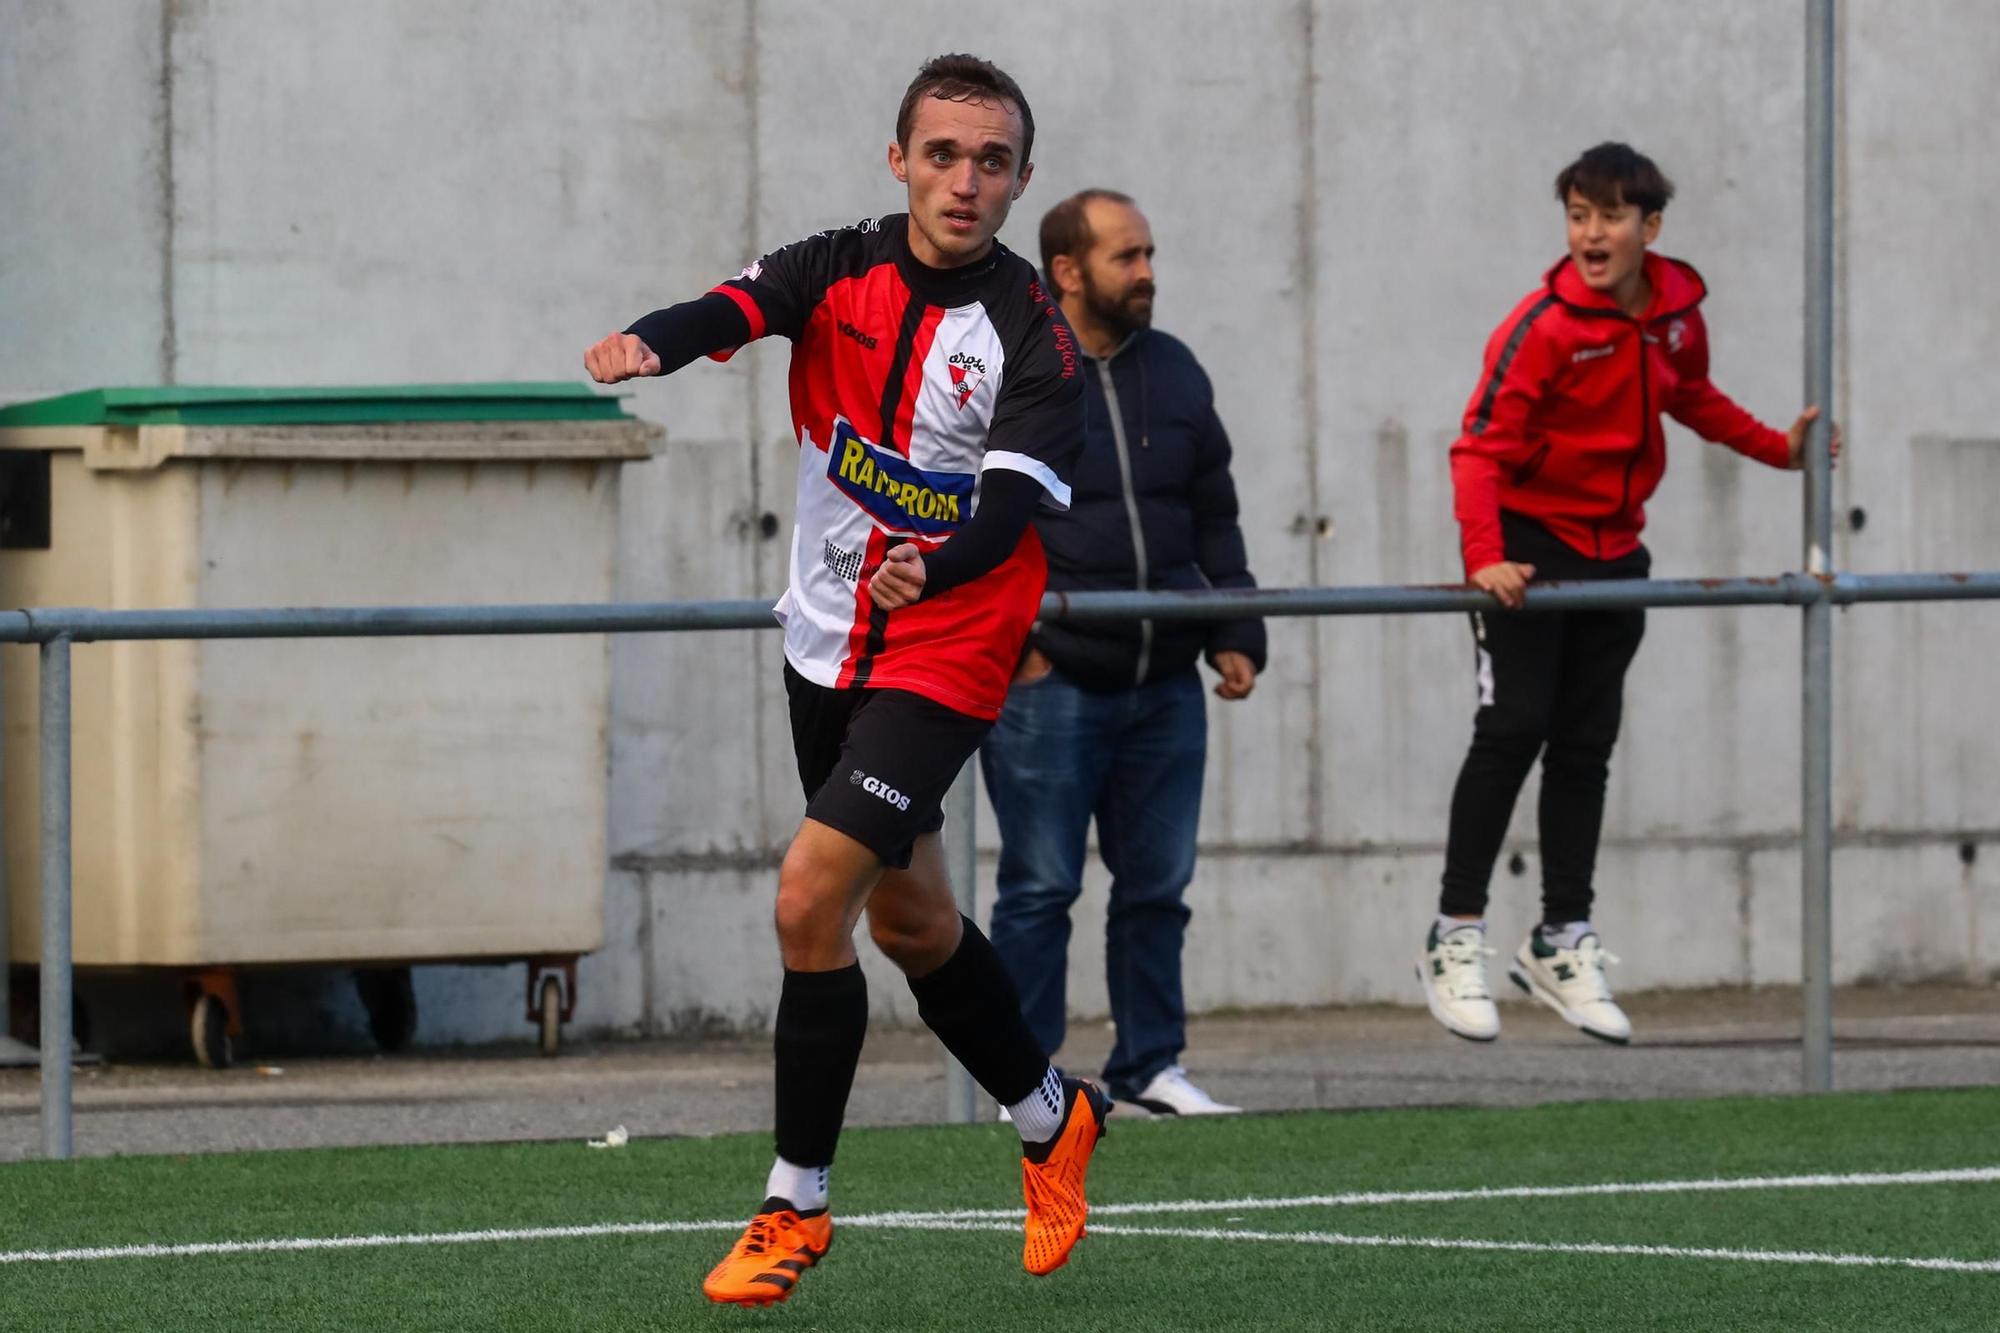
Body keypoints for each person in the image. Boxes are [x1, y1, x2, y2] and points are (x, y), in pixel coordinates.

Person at [585, 54, 1106, 1307]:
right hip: (824, 635)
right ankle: (1049, 1115)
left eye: (990, 161)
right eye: (942, 154)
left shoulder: (1033, 339)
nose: (964, 181)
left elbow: (1006, 514)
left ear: (1019, 178)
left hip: (948, 642)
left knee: (807, 896)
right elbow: (730, 308)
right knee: (910, 920)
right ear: (899, 161)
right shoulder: (838, 264)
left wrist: (932, 563)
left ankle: (793, 1204)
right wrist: (648, 345)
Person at [1418, 142, 1840, 1046]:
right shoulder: (1543, 328)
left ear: (1650, 228)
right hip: (1528, 553)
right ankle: (1454, 933)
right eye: (1577, 216)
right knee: (1512, 728)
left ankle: (1561, 936)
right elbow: (1478, 449)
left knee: (1586, 743)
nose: (1591, 234)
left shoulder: (1677, 318)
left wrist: (1782, 448)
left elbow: (1692, 398)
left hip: (1616, 557)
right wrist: (1486, 556)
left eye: (1610, 217)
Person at [981, 189, 1265, 1117]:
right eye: (1126, 257)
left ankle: (1149, 1067)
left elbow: (1213, 512)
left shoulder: (1176, 370)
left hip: (1165, 683)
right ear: (1067, 272)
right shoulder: (1012, 374)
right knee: (1039, 888)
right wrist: (1017, 641)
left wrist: (1234, 628)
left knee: (1158, 888)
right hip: (1049, 679)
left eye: (1148, 254)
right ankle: (1021, 1085)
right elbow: (971, 517)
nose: (1146, 274)